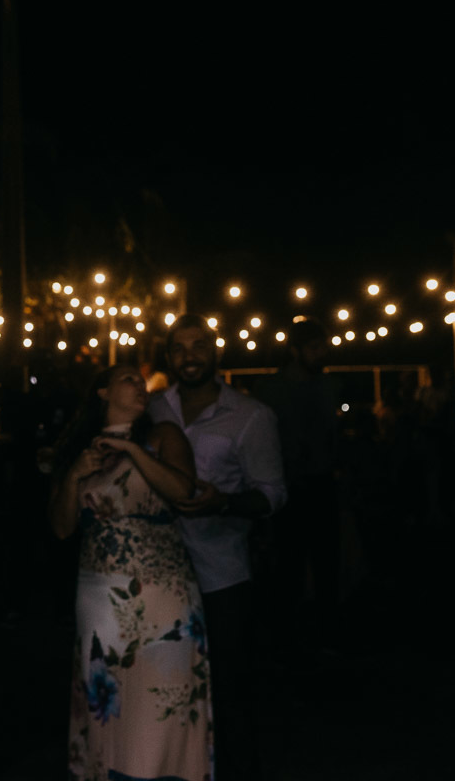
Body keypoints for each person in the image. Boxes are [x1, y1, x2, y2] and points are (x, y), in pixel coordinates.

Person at [49, 364, 212, 781]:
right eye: (128, 379)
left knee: (162, 696)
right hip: (100, 593)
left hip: (163, 590)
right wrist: (75, 474)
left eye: (142, 381)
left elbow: (183, 491)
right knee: (109, 695)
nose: (140, 385)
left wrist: (134, 451)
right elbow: (62, 528)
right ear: (103, 392)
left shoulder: (163, 436)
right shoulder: (80, 448)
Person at [150, 314, 287, 781]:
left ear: (216, 352)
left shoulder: (251, 416)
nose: (189, 356)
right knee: (167, 689)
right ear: (168, 357)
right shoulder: (154, 408)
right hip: (156, 574)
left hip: (220, 574)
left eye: (199, 345)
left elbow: (272, 494)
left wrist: (223, 502)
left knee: (228, 692)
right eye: (179, 348)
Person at [257, 317, 341, 649]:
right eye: (315, 348)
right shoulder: (275, 390)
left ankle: (322, 633)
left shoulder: (325, 386)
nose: (322, 354)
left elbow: (331, 436)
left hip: (319, 483)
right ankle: (289, 636)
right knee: (290, 565)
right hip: (290, 486)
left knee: (325, 564)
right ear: (296, 351)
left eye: (323, 347)